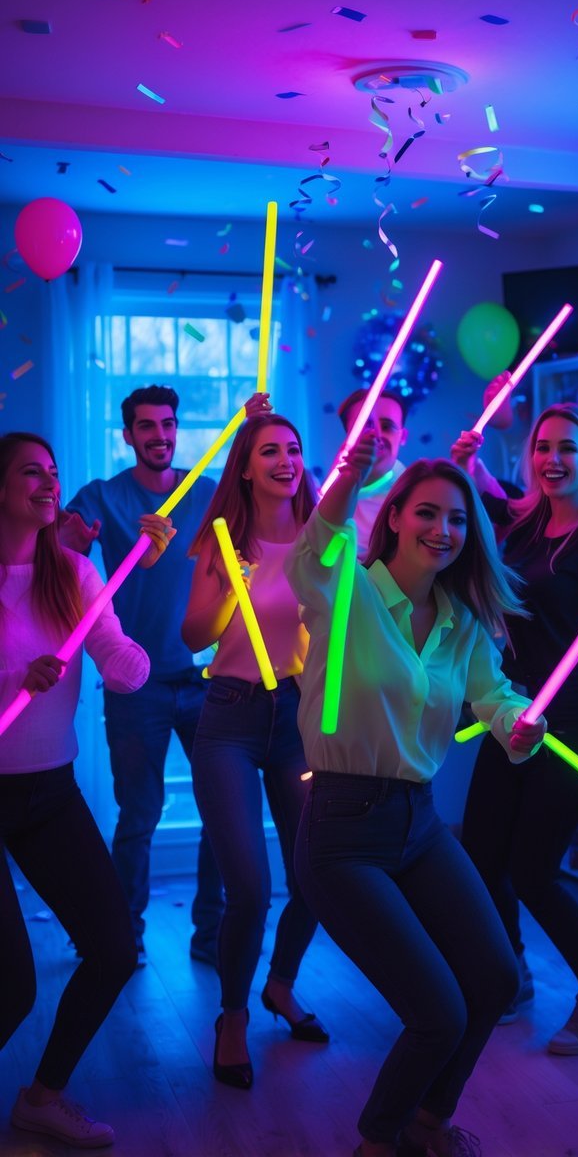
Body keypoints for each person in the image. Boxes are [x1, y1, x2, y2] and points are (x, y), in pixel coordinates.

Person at [285, 437, 546, 1157]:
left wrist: (515, 725)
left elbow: (492, 694)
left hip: (421, 824)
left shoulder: (462, 620)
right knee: (436, 1011)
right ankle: (379, 1140)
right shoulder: (347, 591)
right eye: (426, 513)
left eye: (458, 519)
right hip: (341, 829)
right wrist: (349, 475)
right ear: (393, 516)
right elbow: (315, 545)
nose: (443, 529)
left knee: (493, 979)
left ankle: (428, 1124)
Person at [451, 403, 578, 1053]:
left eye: (567, 448)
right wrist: (468, 461)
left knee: (531, 869)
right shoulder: (526, 524)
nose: (552, 459)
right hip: (512, 711)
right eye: (542, 448)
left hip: (574, 720)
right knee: (480, 857)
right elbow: (484, 504)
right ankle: (511, 977)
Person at [0, 432, 151, 1148]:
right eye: (32, 472)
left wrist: (128, 648)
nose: (49, 483)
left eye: (53, 473)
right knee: (10, 988)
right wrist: (12, 681)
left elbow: (121, 667)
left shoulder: (73, 573)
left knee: (114, 949)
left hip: (50, 792)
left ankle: (42, 1097)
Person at [182, 407, 328, 1091]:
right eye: (269, 450)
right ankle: (232, 1016)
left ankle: (280, 985)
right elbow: (192, 636)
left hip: (299, 718)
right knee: (249, 886)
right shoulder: (221, 539)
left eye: (293, 449)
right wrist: (231, 587)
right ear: (245, 466)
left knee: (318, 878)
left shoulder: (323, 541)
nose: (284, 460)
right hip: (232, 717)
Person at [63, 385, 224, 968]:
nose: (160, 435)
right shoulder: (103, 497)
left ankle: (212, 935)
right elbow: (54, 547)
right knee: (139, 816)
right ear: (128, 435)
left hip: (207, 680)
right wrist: (73, 543)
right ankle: (123, 940)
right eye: (147, 426)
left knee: (221, 813)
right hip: (137, 688)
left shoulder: (206, 492)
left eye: (169, 424)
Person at [337, 388, 409, 557]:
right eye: (365, 426)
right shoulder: (329, 494)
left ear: (403, 437)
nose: (376, 435)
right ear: (349, 434)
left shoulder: (416, 493)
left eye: (387, 427)